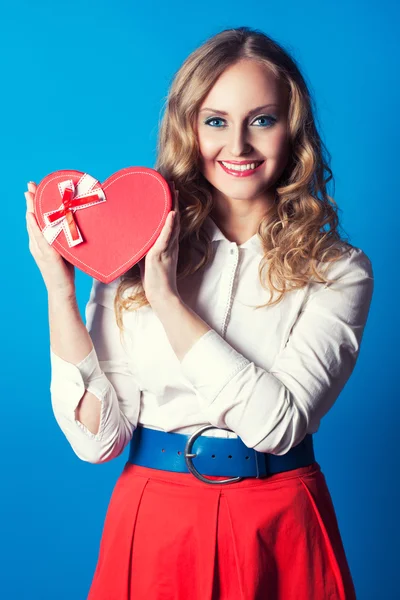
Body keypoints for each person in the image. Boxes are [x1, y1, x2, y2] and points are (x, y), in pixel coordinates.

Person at [25, 26, 374, 600]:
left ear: (294, 130)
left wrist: (168, 303)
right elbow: (98, 443)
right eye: (215, 121)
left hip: (279, 520)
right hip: (155, 519)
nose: (237, 146)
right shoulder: (133, 249)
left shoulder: (339, 271)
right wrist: (60, 293)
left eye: (262, 120)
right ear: (189, 128)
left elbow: (277, 426)